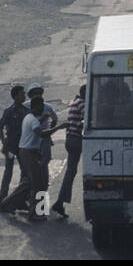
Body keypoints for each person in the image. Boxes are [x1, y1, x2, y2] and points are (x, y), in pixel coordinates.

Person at [0, 98, 58, 219]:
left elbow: (37, 124)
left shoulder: (30, 118)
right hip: (28, 153)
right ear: (35, 107)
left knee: (28, 183)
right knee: (37, 183)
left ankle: (7, 203)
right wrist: (59, 127)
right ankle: (34, 213)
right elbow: (41, 133)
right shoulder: (31, 118)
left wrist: (44, 117)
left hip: (28, 152)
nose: (42, 109)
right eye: (40, 107)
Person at [51, 84, 86, 219]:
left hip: (70, 138)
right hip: (76, 139)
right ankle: (59, 202)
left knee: (71, 171)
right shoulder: (82, 104)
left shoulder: (74, 102)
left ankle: (60, 202)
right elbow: (87, 121)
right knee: (71, 172)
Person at [0, 85, 28, 209]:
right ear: (15, 97)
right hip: (10, 146)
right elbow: (0, 127)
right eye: (21, 94)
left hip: (22, 146)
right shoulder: (9, 111)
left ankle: (18, 200)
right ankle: (2, 200)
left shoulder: (26, 111)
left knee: (24, 174)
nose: (24, 96)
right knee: (8, 173)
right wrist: (4, 143)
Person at [28, 84, 58, 172]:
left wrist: (50, 129)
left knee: (46, 159)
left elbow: (55, 119)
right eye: (34, 93)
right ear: (30, 95)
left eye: (39, 93)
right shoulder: (26, 106)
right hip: (32, 136)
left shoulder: (47, 106)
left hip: (44, 136)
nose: (37, 95)